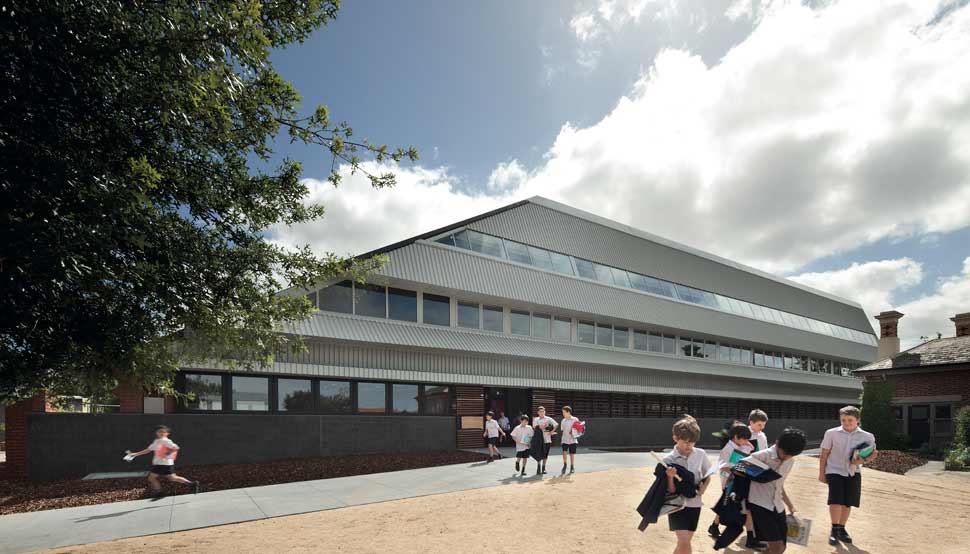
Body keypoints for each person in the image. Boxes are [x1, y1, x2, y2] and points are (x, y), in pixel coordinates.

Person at [819, 405, 878, 546]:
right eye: (843, 420)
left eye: (849, 420)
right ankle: (833, 530)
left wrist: (861, 460)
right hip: (834, 470)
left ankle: (841, 529)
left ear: (857, 420)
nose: (846, 423)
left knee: (847, 502)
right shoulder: (831, 433)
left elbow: (874, 454)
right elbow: (824, 454)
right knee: (835, 500)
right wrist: (822, 473)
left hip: (853, 471)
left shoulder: (867, 436)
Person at [744, 427, 807, 554]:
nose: (786, 458)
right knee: (776, 547)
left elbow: (779, 485)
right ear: (777, 443)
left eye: (790, 456)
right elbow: (739, 469)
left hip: (778, 506)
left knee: (782, 547)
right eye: (785, 453)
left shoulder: (790, 461)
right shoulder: (761, 456)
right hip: (759, 505)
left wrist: (791, 506)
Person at [708, 422, 764, 549]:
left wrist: (747, 445)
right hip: (731, 483)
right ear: (736, 437)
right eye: (744, 439)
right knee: (740, 508)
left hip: (742, 481)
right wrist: (736, 470)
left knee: (734, 507)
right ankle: (750, 538)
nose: (746, 441)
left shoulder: (743, 445)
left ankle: (715, 526)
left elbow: (748, 451)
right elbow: (722, 467)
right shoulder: (727, 448)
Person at [663, 415, 712, 554]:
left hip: (695, 504)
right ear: (675, 438)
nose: (689, 445)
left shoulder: (701, 454)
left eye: (692, 442)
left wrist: (704, 487)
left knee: (683, 544)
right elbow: (670, 490)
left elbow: (708, 475)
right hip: (676, 506)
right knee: (685, 544)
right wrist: (670, 477)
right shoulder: (668, 459)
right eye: (685, 442)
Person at [126, 425, 200, 497]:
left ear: (167, 433)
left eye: (163, 432)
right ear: (156, 433)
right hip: (165, 464)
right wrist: (135, 454)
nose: (161, 433)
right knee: (172, 478)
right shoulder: (157, 441)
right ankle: (192, 484)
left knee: (151, 478)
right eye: (159, 431)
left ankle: (159, 492)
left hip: (162, 464)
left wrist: (166, 454)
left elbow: (176, 447)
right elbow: (148, 450)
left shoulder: (166, 441)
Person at [532, 406, 558, 475]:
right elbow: (534, 427)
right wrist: (540, 426)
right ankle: (538, 467)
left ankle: (544, 468)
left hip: (547, 440)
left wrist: (551, 431)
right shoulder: (536, 419)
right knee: (539, 453)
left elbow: (556, 424)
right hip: (539, 440)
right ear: (538, 412)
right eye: (540, 411)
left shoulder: (548, 419)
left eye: (543, 411)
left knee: (545, 455)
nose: (542, 413)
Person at [559, 405, 579, 474]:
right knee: (564, 452)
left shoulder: (575, 419)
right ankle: (565, 465)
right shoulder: (563, 420)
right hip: (564, 439)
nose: (563, 414)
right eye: (562, 412)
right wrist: (562, 440)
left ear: (568, 412)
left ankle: (572, 466)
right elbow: (562, 430)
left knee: (572, 454)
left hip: (573, 440)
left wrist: (573, 432)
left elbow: (578, 430)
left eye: (564, 412)